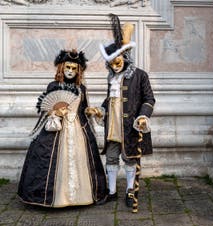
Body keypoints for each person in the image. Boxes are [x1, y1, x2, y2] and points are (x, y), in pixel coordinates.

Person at [17, 49, 108, 207]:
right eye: (68, 67)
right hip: (58, 128)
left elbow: (82, 109)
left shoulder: (82, 89)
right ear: (61, 68)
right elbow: (46, 108)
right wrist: (55, 111)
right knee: (52, 159)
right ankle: (57, 197)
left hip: (79, 128)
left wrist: (91, 110)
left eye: (74, 68)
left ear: (78, 70)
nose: (70, 71)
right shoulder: (53, 86)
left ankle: (82, 196)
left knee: (82, 159)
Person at [87, 15, 155, 210]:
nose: (115, 66)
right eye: (111, 64)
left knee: (130, 159)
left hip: (130, 127)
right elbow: (110, 100)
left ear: (125, 58)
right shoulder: (111, 78)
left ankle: (130, 191)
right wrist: (100, 111)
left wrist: (143, 116)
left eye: (118, 62)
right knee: (110, 157)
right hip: (112, 126)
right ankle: (111, 191)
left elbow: (149, 99)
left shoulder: (140, 75)